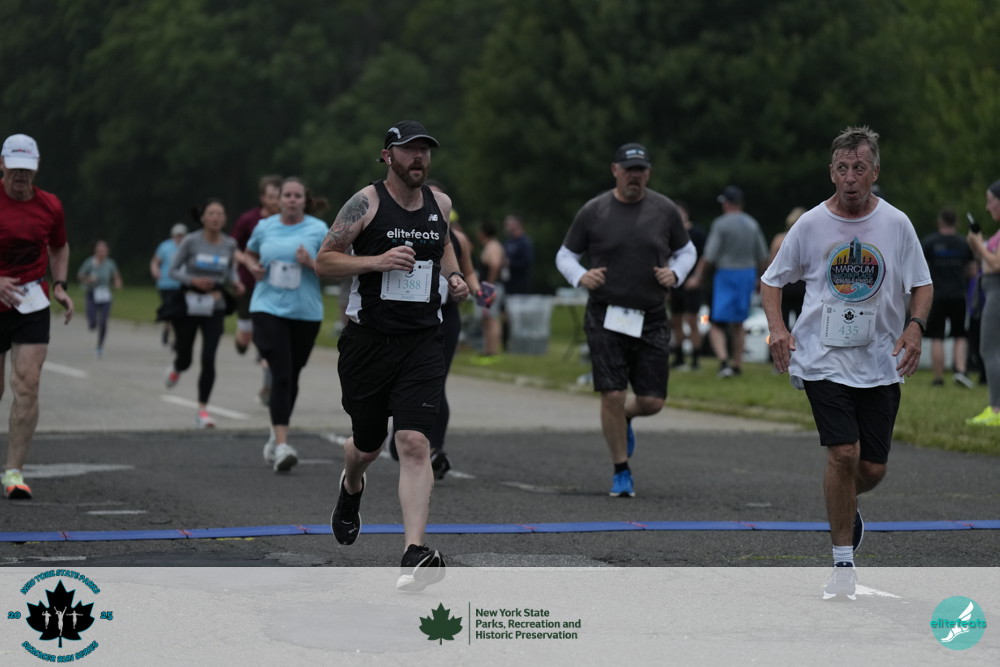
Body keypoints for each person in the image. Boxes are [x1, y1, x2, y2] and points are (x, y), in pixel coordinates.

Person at [761, 126, 933, 600]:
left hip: (879, 360)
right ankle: (842, 565)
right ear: (831, 173)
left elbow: (922, 283)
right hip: (822, 358)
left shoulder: (896, 224)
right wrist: (778, 329)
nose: (851, 178)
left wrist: (914, 327)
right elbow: (772, 281)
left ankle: (844, 503)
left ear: (875, 172)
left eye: (859, 168)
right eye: (842, 168)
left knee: (871, 468)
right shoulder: (811, 224)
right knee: (843, 454)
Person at [315, 120, 469, 591]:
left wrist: (454, 276)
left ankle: (414, 553)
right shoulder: (365, 203)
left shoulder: (440, 204)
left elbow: (443, 244)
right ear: (387, 155)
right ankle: (351, 486)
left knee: (414, 443)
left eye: (425, 150)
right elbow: (324, 260)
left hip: (422, 340)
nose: (418, 157)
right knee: (367, 447)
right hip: (368, 343)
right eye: (408, 149)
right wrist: (376, 261)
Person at [556, 142, 696, 497]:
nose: (635, 176)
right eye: (629, 170)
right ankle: (621, 470)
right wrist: (580, 276)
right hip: (606, 313)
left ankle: (627, 416)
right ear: (615, 171)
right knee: (612, 393)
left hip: (651, 314)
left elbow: (687, 250)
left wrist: (676, 273)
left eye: (641, 170)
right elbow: (565, 254)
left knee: (652, 402)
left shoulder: (664, 210)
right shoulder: (594, 210)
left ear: (648, 173)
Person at [385, 180, 484, 479]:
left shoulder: (458, 239)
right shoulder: (400, 228)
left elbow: (468, 272)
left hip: (445, 316)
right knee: (401, 379)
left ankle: (434, 450)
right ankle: (401, 431)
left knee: (437, 382)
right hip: (407, 315)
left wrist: (474, 288)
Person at [0, 133, 74, 500]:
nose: (20, 176)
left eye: (26, 170)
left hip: (30, 302)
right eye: (14, 168)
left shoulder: (50, 205)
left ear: (37, 168)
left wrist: (59, 284)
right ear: (2, 164)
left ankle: (14, 472)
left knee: (27, 385)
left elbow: (59, 246)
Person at [242, 177, 328, 472]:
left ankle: (276, 431)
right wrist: (252, 267)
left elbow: (334, 268)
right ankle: (282, 446)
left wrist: (310, 262)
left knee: (291, 375)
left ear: (305, 200)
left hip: (305, 313)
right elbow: (250, 253)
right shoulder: (264, 227)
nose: (292, 200)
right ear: (278, 200)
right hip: (267, 308)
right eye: (287, 195)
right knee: (281, 374)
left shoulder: (318, 229)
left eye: (297, 196)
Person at [164, 198, 244, 428]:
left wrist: (236, 283)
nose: (215, 218)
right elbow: (173, 271)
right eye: (211, 213)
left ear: (225, 219)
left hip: (214, 307)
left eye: (220, 214)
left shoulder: (229, 244)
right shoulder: (191, 241)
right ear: (203, 218)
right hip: (189, 305)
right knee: (186, 357)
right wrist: (193, 281)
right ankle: (178, 367)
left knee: (209, 358)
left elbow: (230, 271)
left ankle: (202, 410)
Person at [694, 185, 769, 378]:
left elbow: (709, 255)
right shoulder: (752, 224)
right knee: (739, 322)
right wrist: (762, 279)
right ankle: (737, 364)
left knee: (716, 322)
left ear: (726, 204)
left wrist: (698, 276)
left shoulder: (720, 224)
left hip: (726, 274)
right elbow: (762, 256)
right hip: (747, 274)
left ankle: (723, 361)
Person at [231, 174, 282, 405]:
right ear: (262, 198)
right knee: (245, 338)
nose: (275, 201)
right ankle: (243, 341)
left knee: (268, 336)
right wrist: (247, 262)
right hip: (248, 284)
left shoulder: (287, 221)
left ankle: (268, 383)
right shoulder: (248, 220)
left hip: (274, 286)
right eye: (271, 196)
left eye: (278, 196)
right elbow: (232, 247)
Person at [921, 207, 976, 387]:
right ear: (956, 222)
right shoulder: (963, 243)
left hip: (936, 295)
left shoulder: (929, 242)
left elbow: (921, 268)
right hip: (958, 294)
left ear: (940, 221)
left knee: (937, 336)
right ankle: (960, 370)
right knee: (960, 334)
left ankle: (938, 377)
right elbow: (972, 270)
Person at [965, 180, 1000, 425]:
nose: (988, 208)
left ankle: (996, 409)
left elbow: (996, 264)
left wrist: (979, 245)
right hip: (991, 291)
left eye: (991, 202)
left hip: (997, 292)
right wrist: (977, 245)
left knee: (990, 349)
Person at [668, 200, 707, 370]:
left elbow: (704, 256)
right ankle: (679, 356)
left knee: (691, 320)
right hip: (675, 281)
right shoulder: (670, 233)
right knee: (676, 320)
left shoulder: (697, 233)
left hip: (691, 282)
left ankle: (696, 357)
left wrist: (697, 277)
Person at [76, 240, 123, 358]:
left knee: (104, 321)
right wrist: (89, 279)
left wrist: (117, 282)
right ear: (95, 251)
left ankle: (100, 346)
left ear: (107, 251)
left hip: (105, 295)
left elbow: (116, 276)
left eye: (103, 250)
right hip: (92, 293)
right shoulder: (90, 262)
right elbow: (80, 275)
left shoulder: (110, 263)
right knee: (92, 323)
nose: (101, 253)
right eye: (99, 250)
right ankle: (92, 321)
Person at [150, 223, 188, 347]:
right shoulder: (165, 246)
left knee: (178, 312)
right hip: (166, 283)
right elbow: (155, 261)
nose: (179, 237)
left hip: (181, 284)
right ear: (173, 235)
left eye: (181, 235)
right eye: (177, 235)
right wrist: (155, 270)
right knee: (169, 310)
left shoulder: (187, 246)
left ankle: (175, 336)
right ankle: (167, 327)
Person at [477, 220, 506, 358]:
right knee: (487, 318)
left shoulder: (492, 246)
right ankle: (488, 349)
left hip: (489, 287)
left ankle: (492, 351)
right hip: (489, 286)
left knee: (491, 319)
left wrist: (489, 285)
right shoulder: (493, 245)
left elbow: (495, 265)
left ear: (483, 233)